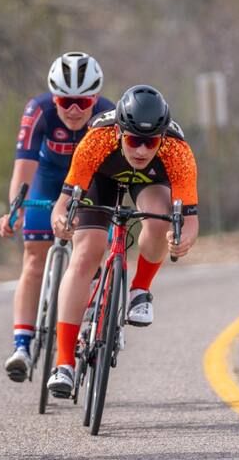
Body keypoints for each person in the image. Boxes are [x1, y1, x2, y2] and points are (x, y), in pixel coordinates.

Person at [45, 85, 199, 397]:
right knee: (87, 251)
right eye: (133, 140)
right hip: (101, 179)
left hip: (150, 183)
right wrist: (61, 222)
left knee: (160, 219)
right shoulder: (98, 138)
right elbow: (62, 205)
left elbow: (191, 220)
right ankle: (64, 364)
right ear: (119, 132)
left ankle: (140, 290)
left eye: (150, 142)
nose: (141, 150)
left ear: (162, 138)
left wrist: (183, 242)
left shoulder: (177, 150)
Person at [0, 52, 115, 382]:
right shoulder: (39, 111)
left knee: (89, 252)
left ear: (96, 97)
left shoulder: (108, 115)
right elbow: (24, 168)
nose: (74, 110)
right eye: (65, 101)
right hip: (47, 180)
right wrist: (15, 210)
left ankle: (87, 321)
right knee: (34, 259)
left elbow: (114, 174)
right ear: (53, 97)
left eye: (83, 101)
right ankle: (22, 345)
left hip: (91, 181)